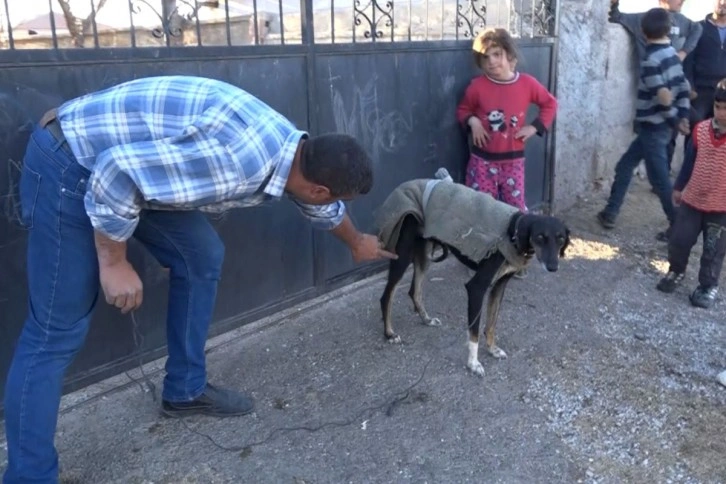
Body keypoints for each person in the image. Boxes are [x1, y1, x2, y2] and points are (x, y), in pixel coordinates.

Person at [2, 75, 396, 483]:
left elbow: (318, 207)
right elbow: (115, 173)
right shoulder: (237, 164)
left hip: (139, 163)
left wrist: (356, 241)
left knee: (201, 256)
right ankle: (29, 476)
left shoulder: (292, 149)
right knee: (55, 332)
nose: (330, 204)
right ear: (318, 189)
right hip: (73, 161)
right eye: (334, 198)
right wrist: (114, 262)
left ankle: (184, 390)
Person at [597, 8, 691, 241]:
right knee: (625, 166)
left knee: (659, 179)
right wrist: (682, 116)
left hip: (654, 127)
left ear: (642, 31)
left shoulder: (651, 60)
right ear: (669, 31)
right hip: (660, 128)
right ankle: (610, 213)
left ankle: (677, 224)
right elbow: (683, 88)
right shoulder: (672, 54)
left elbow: (662, 96)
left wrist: (674, 119)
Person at [456, 27, 557, 214]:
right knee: (481, 209)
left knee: (514, 210)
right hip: (481, 163)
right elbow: (463, 109)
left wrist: (534, 127)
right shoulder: (477, 87)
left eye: (497, 54)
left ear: (509, 55)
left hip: (513, 163)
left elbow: (550, 104)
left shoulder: (527, 84)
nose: (491, 61)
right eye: (485, 57)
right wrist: (473, 122)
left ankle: (513, 242)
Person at [609, 0, 702, 173]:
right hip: (653, 96)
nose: (682, 1)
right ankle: (663, 182)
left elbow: (698, 29)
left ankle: (665, 178)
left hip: (671, 93)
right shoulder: (644, 20)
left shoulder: (683, 21)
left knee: (680, 129)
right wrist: (613, 4)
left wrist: (683, 52)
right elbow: (616, 17)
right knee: (658, 139)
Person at [656, 79, 726, 309]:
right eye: (717, 106)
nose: (721, 112)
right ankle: (676, 271)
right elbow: (689, 162)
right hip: (693, 199)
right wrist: (678, 187)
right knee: (679, 240)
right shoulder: (701, 131)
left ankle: (707, 286)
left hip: (721, 207)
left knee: (713, 250)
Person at [683, 0, 726, 133]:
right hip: (700, 92)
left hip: (724, 92)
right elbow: (688, 61)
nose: (722, 3)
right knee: (696, 131)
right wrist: (690, 87)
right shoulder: (698, 28)